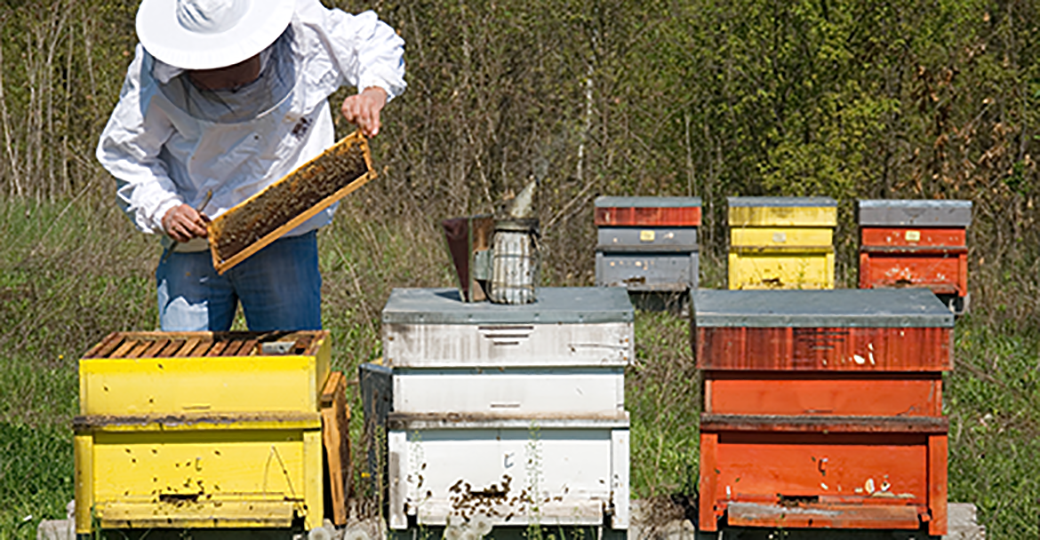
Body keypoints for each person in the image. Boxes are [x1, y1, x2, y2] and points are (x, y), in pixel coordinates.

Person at [96, 0, 405, 332]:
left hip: (283, 239)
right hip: (194, 247)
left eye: (231, 64)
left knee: (287, 360)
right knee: (186, 365)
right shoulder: (157, 66)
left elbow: (372, 40)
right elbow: (128, 154)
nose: (223, 77)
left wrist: (373, 91)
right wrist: (164, 209)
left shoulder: (302, 30)